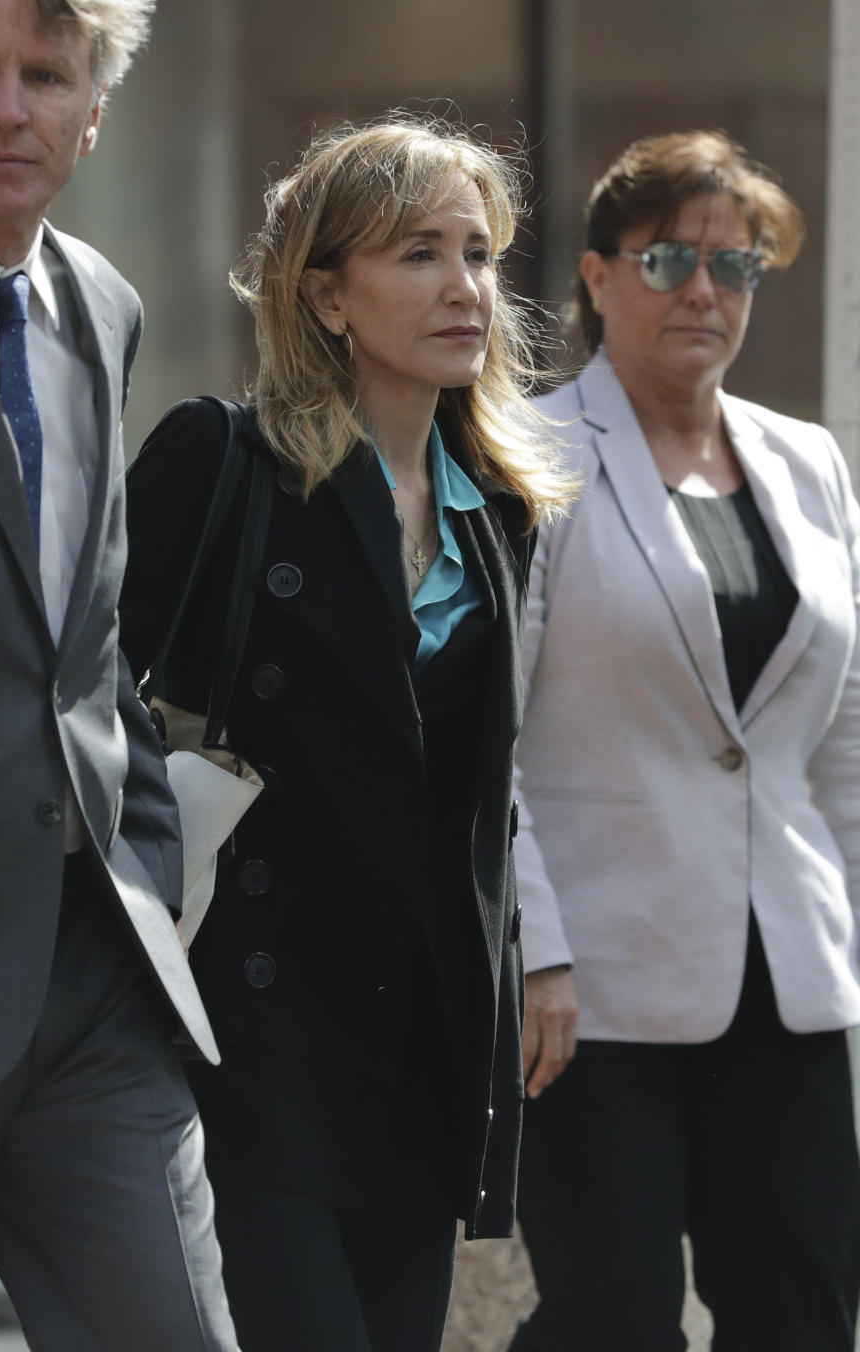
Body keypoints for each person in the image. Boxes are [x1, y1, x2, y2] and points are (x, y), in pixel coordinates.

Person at [120, 116, 577, 1352]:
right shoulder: (221, 460)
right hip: (256, 1027)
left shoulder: (502, 514)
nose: (465, 286)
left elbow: (483, 787)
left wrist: (529, 953)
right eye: (418, 253)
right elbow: (89, 703)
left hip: (424, 1037)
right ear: (325, 293)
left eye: (478, 252)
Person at [0, 2, 240, 1349]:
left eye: (46, 75)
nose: (9, 107)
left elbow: (82, 650)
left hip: (91, 983)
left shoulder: (103, 304)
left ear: (92, 111)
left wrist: (147, 883)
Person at [508, 129, 860, 1352]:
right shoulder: (529, 455)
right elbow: (480, 735)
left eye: (736, 263)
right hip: (593, 987)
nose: (705, 289)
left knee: (805, 1308)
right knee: (614, 1319)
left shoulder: (807, 462)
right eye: (666, 259)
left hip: (790, 979)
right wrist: (531, 944)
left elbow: (841, 736)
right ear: (598, 277)